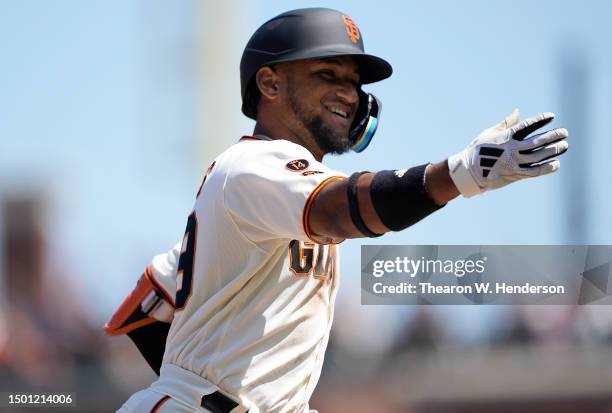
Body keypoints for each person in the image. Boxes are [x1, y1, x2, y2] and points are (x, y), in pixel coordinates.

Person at [105, 7, 569, 413]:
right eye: (327, 74)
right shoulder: (252, 164)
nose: (349, 94)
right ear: (269, 82)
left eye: (353, 82)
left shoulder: (267, 189)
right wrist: (463, 173)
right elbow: (343, 208)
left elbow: (142, 309)